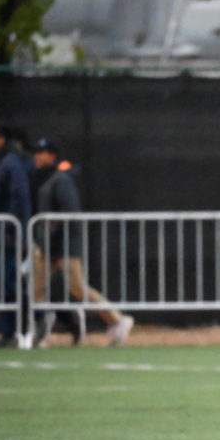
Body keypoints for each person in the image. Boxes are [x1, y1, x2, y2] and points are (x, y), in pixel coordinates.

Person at [30, 137, 133, 347]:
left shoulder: (62, 179)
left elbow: (69, 213)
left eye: (41, 152)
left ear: (52, 155)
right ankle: (41, 326)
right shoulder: (48, 178)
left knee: (78, 288)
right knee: (35, 288)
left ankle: (118, 320)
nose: (37, 156)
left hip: (64, 245)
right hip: (47, 245)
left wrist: (52, 235)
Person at [0, 120, 32, 348]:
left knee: (7, 283)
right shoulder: (4, 162)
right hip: (2, 234)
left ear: (1, 138)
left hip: (8, 236)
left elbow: (19, 199)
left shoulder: (11, 163)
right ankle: (13, 329)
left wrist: (12, 228)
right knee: (3, 282)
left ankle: (27, 324)